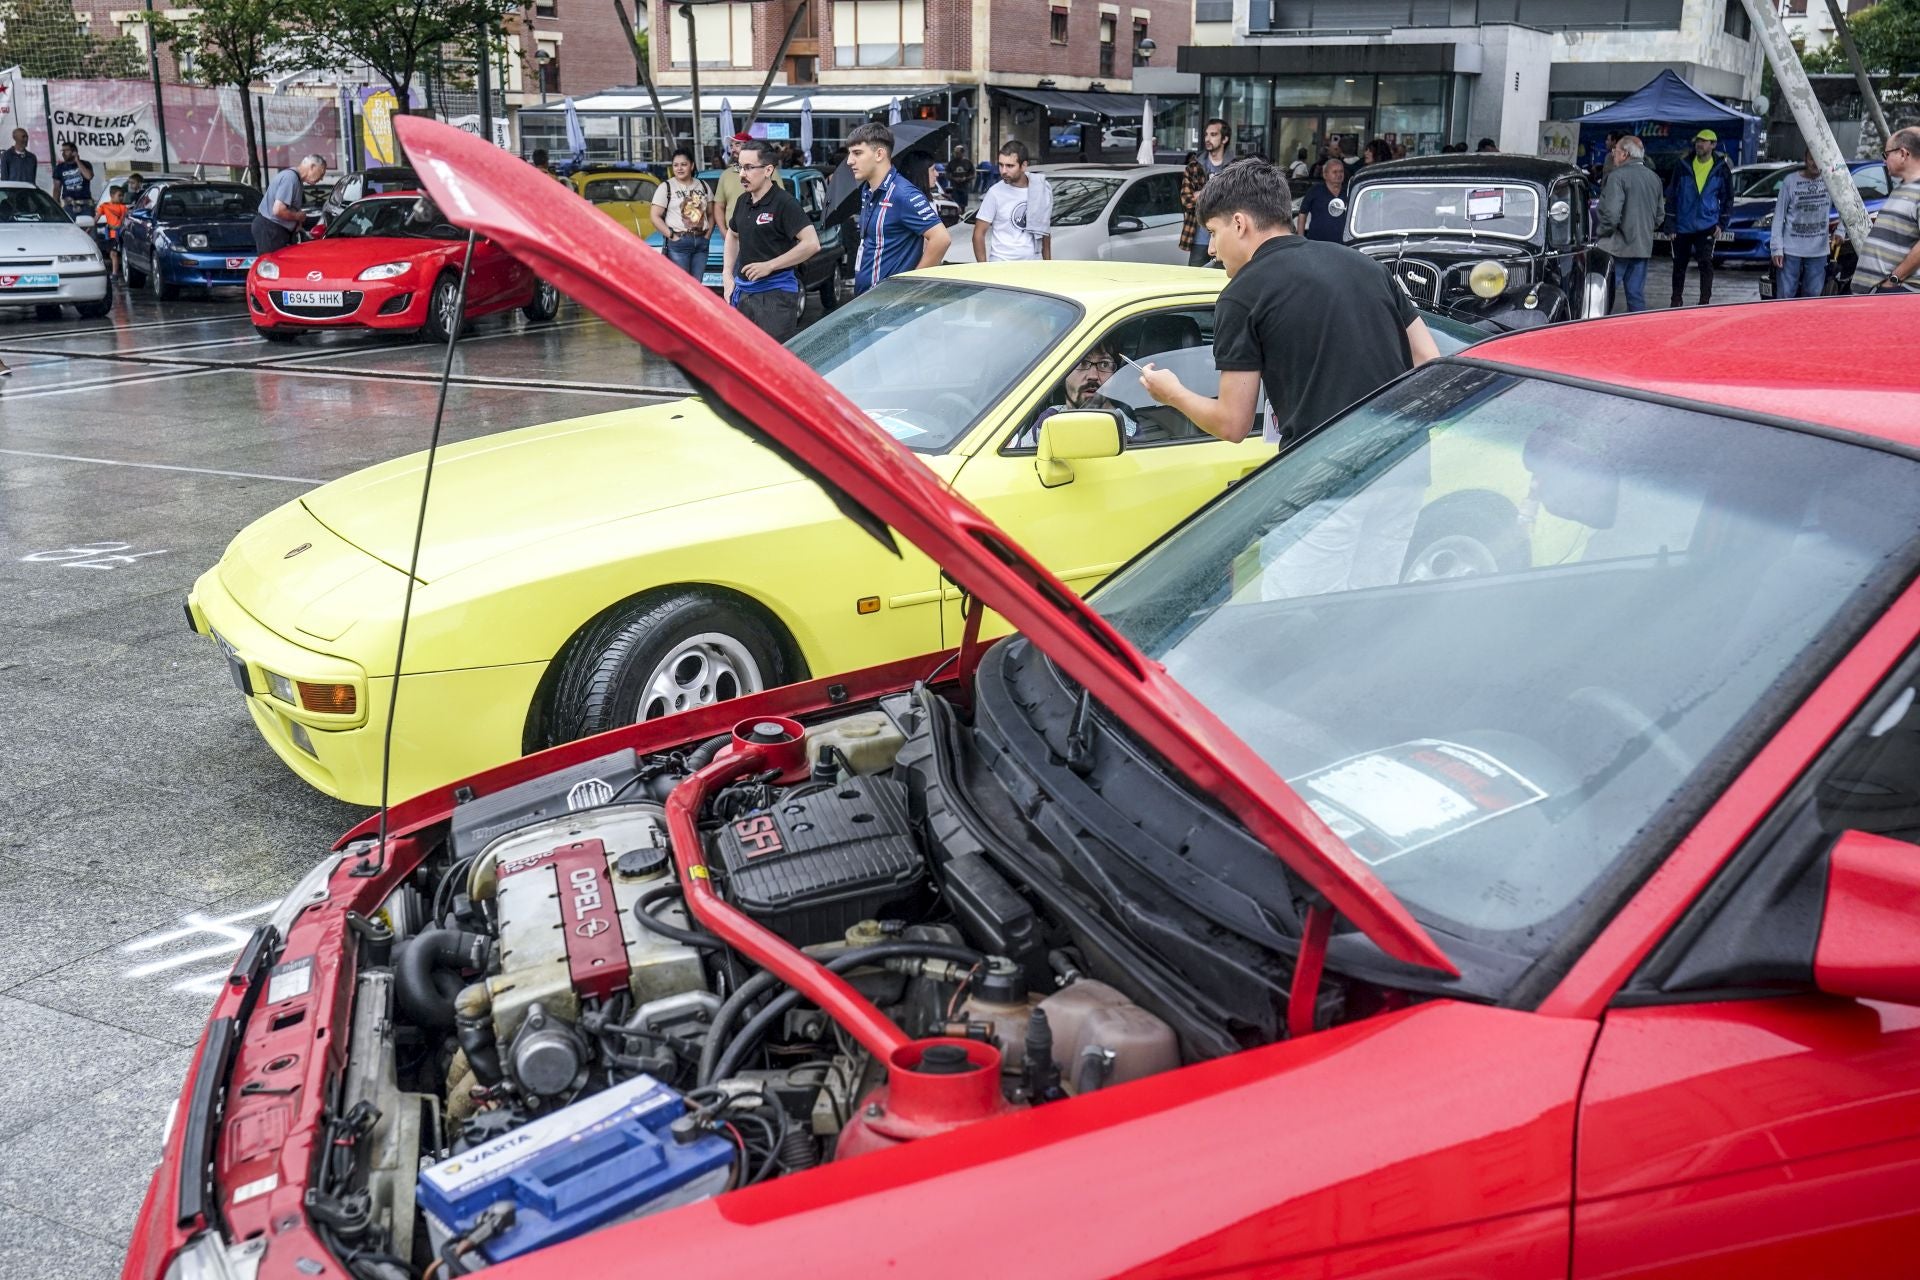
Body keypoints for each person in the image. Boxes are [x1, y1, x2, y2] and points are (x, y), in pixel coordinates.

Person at [1138, 160, 1439, 449]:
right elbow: (1427, 358)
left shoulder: (1241, 295)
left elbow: (1232, 424)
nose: (1213, 249)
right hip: (1404, 457)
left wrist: (1171, 393)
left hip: (1326, 473)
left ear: (1240, 224)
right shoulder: (1366, 265)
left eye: (1214, 232)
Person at [723, 138, 818, 341]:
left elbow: (811, 243)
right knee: (745, 359)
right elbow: (732, 234)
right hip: (744, 294)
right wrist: (727, 276)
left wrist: (770, 266)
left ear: (768, 170)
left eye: (749, 168)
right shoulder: (743, 201)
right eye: (740, 167)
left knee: (773, 363)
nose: (742, 174)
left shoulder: (784, 203)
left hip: (777, 297)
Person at [847, 122, 949, 296]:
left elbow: (941, 239)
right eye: (849, 154)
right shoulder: (866, 190)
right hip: (866, 298)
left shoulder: (903, 193)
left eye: (857, 153)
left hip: (889, 303)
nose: (850, 161)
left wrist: (912, 289)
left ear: (879, 154)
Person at [1664, 128, 1735, 308]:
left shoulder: (1721, 168)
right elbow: (1672, 195)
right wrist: (1670, 224)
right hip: (1683, 224)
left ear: (1713, 145)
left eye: (1704, 141)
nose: (1699, 144)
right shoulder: (1683, 165)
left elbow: (1727, 198)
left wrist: (1722, 224)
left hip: (1707, 225)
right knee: (1679, 265)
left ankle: (1704, 302)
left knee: (1705, 264)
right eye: (1697, 141)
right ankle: (1676, 300)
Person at [1595, 135, 1662, 313]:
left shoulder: (1617, 177)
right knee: (1636, 295)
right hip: (1642, 247)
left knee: (1604, 294)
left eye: (1615, 151)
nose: (1613, 154)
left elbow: (1611, 215)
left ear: (1624, 154)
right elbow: (1659, 216)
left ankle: (1598, 334)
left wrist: (1601, 234)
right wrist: (1643, 231)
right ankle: (1637, 334)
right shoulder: (1654, 178)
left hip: (1616, 247)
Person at [1853, 125, 1920, 294]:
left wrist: (1894, 280)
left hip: (1893, 294)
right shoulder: (1902, 188)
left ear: (1903, 154)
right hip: (1878, 294)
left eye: (1887, 154)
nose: (1884, 160)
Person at [1770, 150, 1834, 299]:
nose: (1815, 163)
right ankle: (1784, 322)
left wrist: (1841, 231)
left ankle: (1806, 323)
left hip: (1818, 251)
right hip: (1790, 251)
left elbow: (1846, 206)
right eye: (1812, 159)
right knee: (1785, 296)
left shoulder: (1831, 180)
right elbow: (1779, 216)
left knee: (1813, 296)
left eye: (1819, 159)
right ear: (1805, 159)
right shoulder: (1790, 181)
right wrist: (1776, 248)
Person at [974, 140, 1051, 263]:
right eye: (1001, 165)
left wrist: (1048, 264)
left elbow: (1044, 229)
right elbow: (978, 234)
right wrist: (984, 268)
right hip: (1002, 264)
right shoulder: (995, 193)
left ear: (1024, 165)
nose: (1003, 171)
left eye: (1010, 166)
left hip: (1033, 265)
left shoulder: (1040, 187)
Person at [651, 146, 712, 280]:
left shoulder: (703, 185)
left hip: (701, 242)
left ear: (692, 166)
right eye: (676, 165)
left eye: (684, 164)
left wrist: (708, 235)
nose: (679, 168)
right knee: (682, 285)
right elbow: (655, 216)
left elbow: (711, 214)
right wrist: (671, 235)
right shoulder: (666, 187)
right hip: (679, 242)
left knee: (697, 286)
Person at [1179, 118, 1232, 266]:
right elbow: (1187, 201)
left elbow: (1236, 201)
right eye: (1206, 135)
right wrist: (1216, 191)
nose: (1208, 139)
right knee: (1196, 280)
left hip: (1227, 237)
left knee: (1225, 281)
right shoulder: (1194, 166)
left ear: (1225, 138)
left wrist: (1201, 193)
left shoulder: (1234, 167)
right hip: (1199, 238)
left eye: (1213, 134)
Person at [253, 153, 327, 255]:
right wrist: (298, 216)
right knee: (273, 266)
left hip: (273, 229)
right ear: (312, 167)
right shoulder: (290, 178)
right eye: (322, 173)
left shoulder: (294, 178)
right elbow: (278, 210)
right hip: (271, 230)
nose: (321, 178)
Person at [1294, 156, 1349, 243]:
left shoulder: (1349, 192)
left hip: (1343, 245)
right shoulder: (1315, 191)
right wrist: (1300, 238)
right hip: (1317, 244)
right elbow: (1302, 214)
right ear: (1325, 174)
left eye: (1341, 171)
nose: (1339, 175)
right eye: (1334, 172)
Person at [714, 132, 753, 230]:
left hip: (761, 237)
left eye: (737, 144)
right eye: (731, 146)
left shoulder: (765, 171)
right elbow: (719, 206)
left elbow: (779, 203)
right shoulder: (726, 174)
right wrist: (724, 233)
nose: (733, 149)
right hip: (733, 237)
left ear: (750, 146)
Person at [52, 143, 94, 218]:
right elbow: (56, 188)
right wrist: (56, 205)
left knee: (88, 227)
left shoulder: (85, 164)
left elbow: (88, 176)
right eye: (62, 151)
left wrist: (77, 161)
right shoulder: (59, 168)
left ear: (74, 152)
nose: (63, 153)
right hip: (69, 205)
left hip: (85, 205)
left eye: (66, 151)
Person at [95, 183, 129, 275]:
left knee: (114, 254)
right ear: (112, 195)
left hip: (118, 234)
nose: (121, 198)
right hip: (109, 234)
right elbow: (97, 217)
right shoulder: (105, 206)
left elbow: (125, 221)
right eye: (119, 195)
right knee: (111, 254)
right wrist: (90, 226)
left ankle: (114, 274)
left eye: (122, 195)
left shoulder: (123, 207)